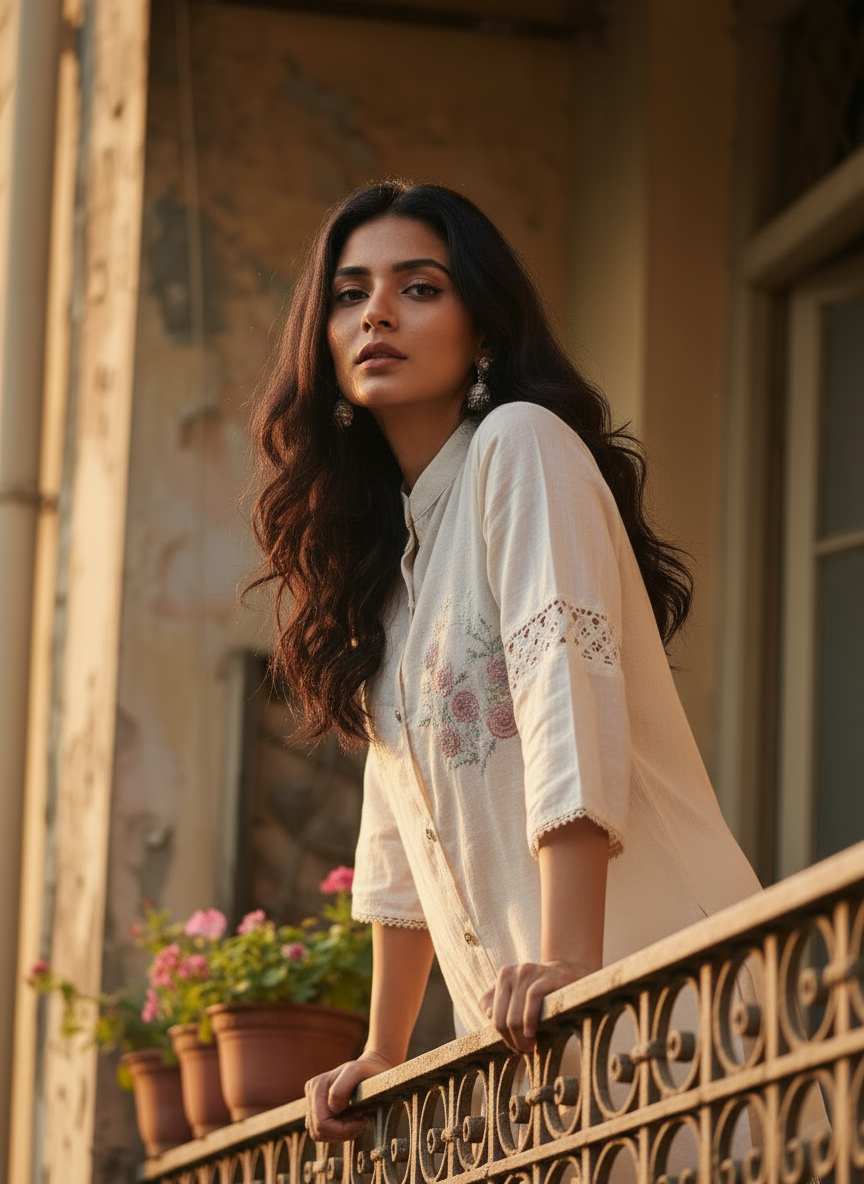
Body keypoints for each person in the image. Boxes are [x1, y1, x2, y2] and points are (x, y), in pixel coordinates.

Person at [248, 181, 762, 1144]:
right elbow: (397, 835)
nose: (379, 314)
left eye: (420, 287)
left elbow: (566, 683)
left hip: (677, 1003)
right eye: (351, 294)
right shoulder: (393, 570)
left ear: (483, 326)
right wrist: (384, 1050)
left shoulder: (518, 450)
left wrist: (573, 959)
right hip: (550, 1057)